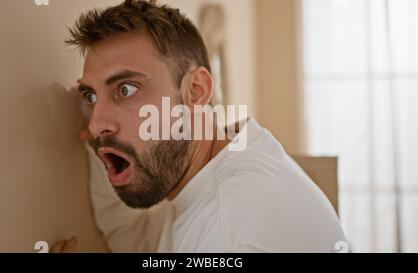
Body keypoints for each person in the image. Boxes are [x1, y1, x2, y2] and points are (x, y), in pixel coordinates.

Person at [52, 0, 347, 253]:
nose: (96, 124)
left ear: (196, 90)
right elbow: (141, 240)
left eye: (126, 90)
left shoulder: (236, 225)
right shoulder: (212, 174)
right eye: (91, 96)